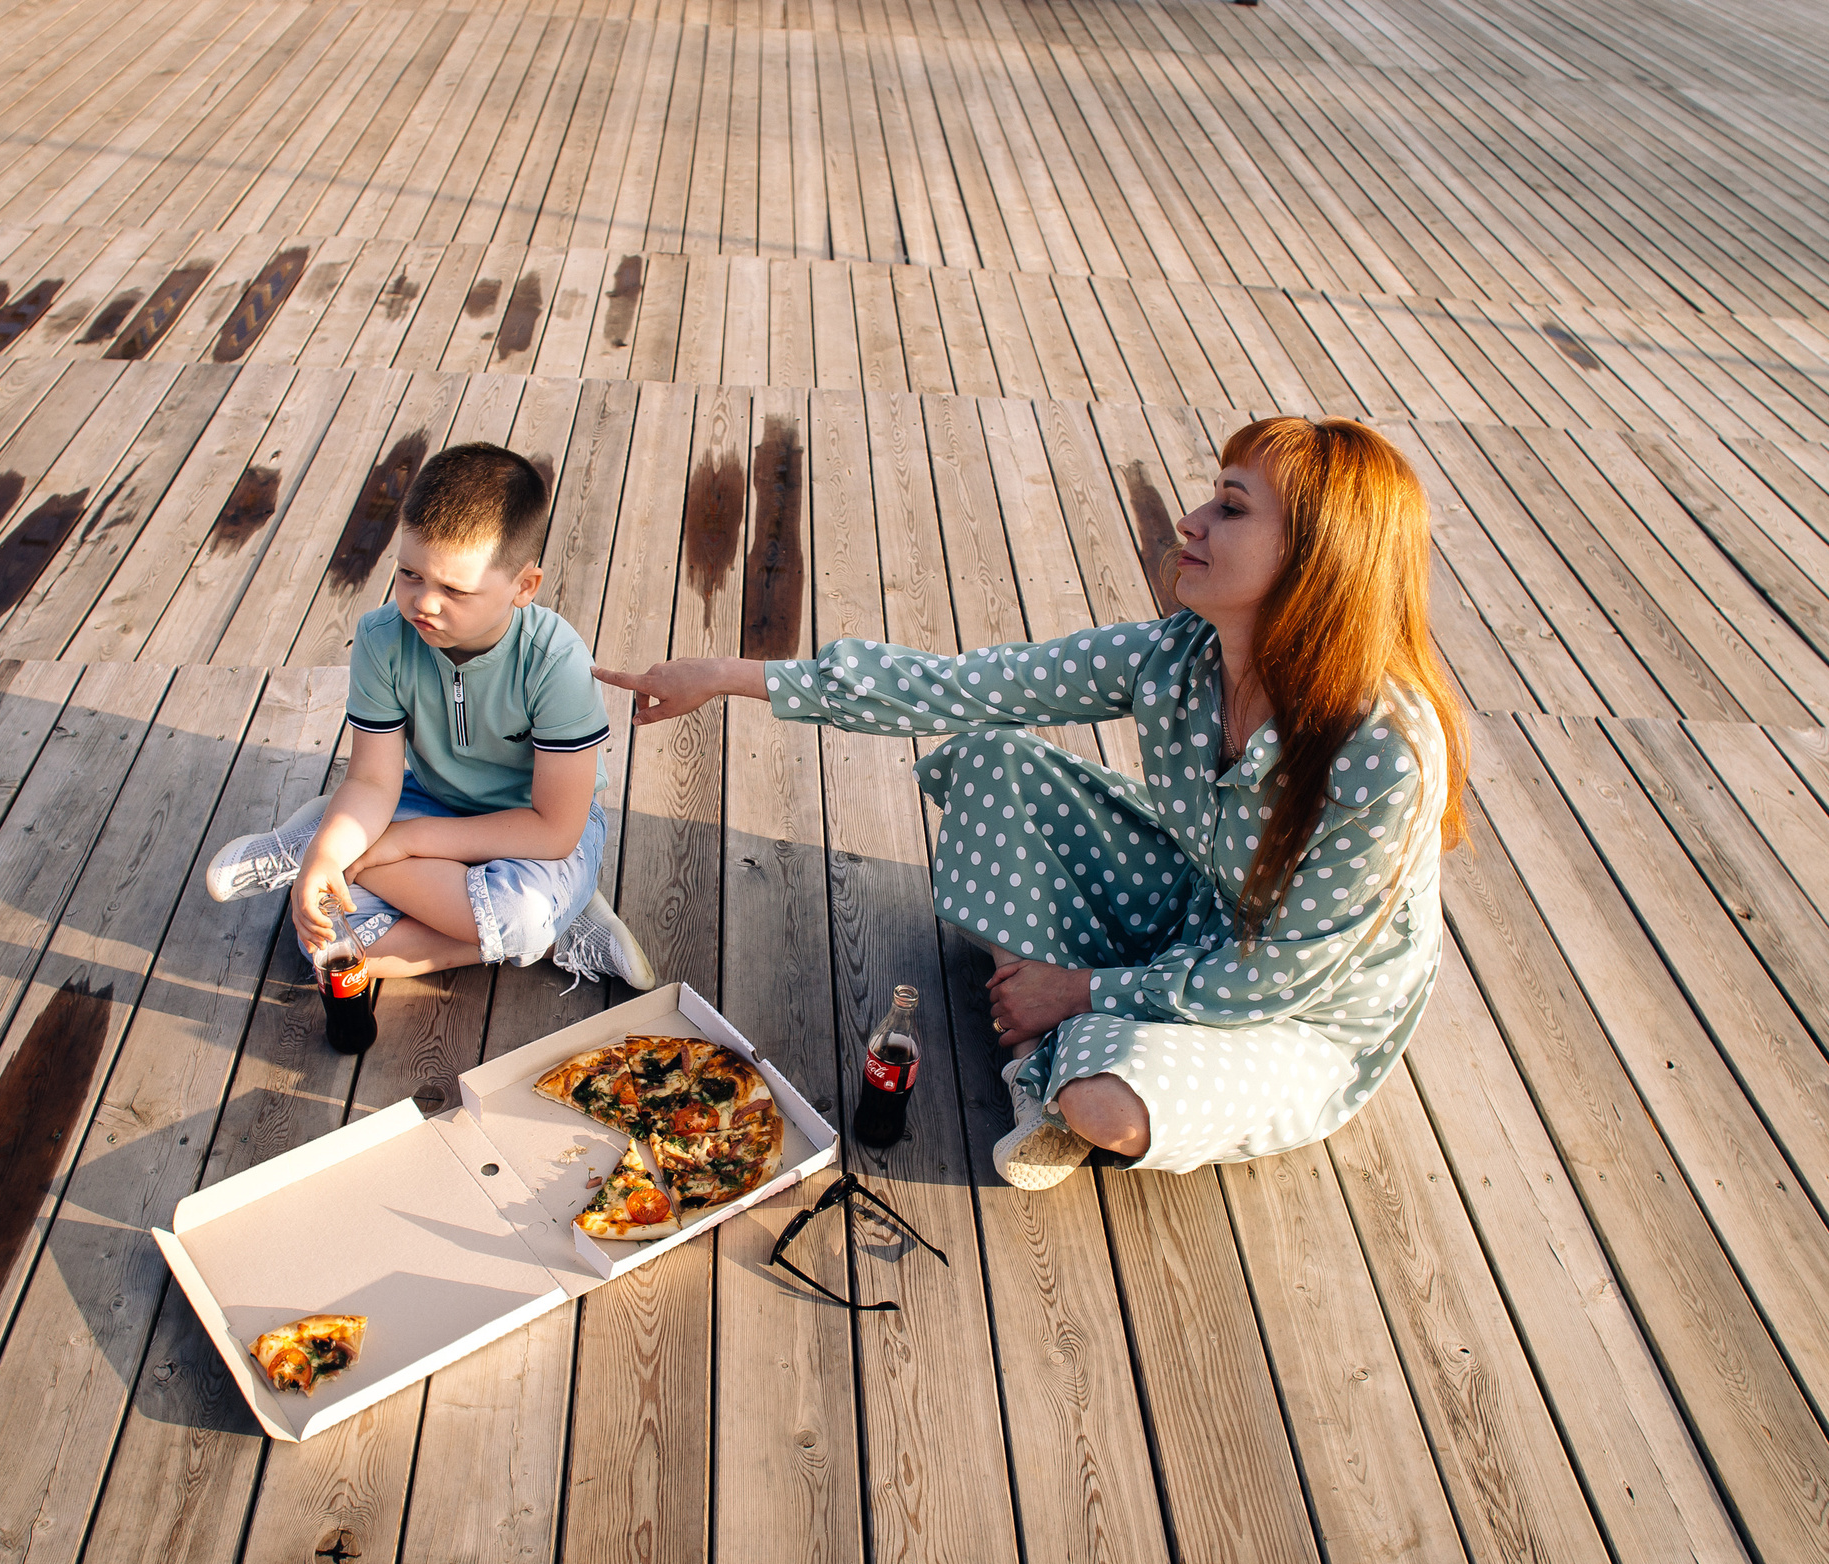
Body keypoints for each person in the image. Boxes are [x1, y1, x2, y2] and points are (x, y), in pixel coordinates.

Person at [596, 417, 1467, 1190]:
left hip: (1295, 1011)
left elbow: (1279, 976)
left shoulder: (1385, 753)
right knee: (991, 759)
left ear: (1316, 554)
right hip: (1195, 903)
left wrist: (1078, 989)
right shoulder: (1181, 653)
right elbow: (969, 686)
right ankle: (1035, 1056)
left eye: (1231, 508)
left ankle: (1050, 1050)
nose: (1191, 521)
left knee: (1105, 1103)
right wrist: (729, 675)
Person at [204, 442, 656, 1013]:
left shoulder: (554, 661)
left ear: (524, 586)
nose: (424, 603)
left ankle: (544, 928)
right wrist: (337, 857)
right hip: (428, 800)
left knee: (522, 918)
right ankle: (545, 932)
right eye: (409, 574)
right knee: (325, 942)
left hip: (535, 833)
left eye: (455, 590)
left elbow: (554, 830)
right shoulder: (382, 638)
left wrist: (399, 844)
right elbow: (372, 781)